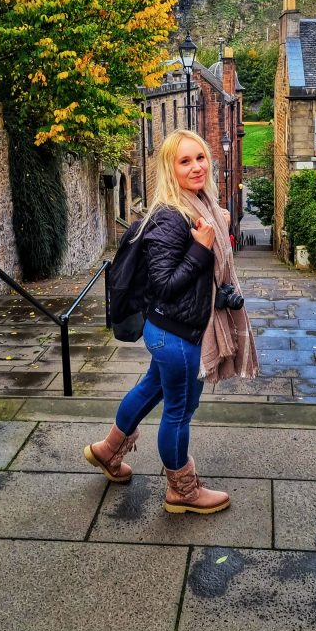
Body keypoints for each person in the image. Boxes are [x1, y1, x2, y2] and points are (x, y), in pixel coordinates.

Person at [84, 129, 258, 514]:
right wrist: (201, 247)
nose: (196, 166)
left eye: (200, 157)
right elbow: (164, 285)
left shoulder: (201, 204)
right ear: (169, 168)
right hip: (175, 334)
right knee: (179, 410)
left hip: (177, 331)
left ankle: (108, 450)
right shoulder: (169, 217)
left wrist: (215, 232)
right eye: (185, 161)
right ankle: (182, 488)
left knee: (151, 389)